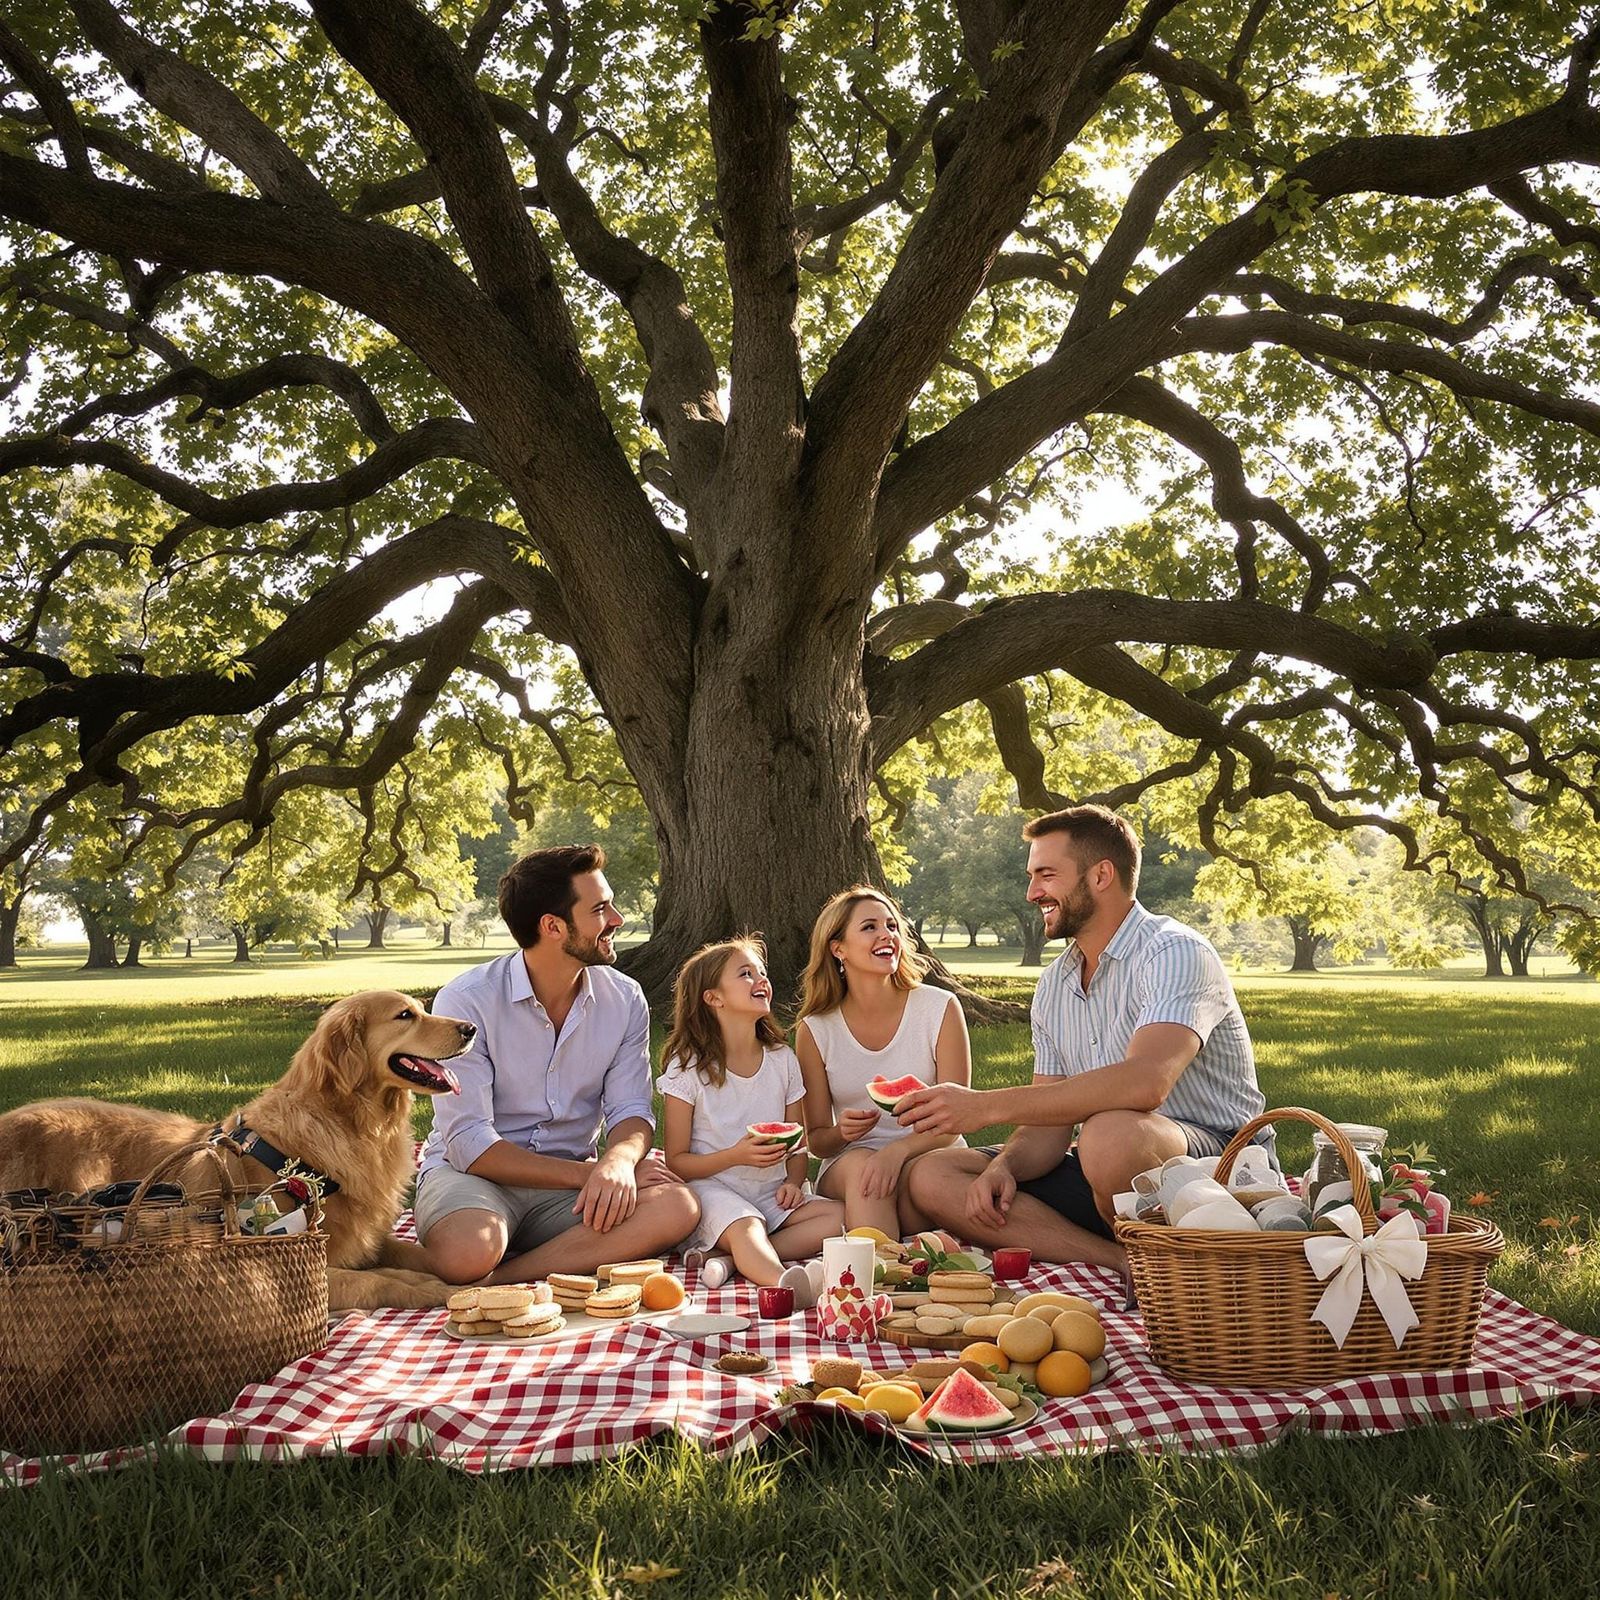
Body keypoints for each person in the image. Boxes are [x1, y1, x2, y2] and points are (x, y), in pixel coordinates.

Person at [899, 805, 1268, 1271]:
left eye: (1047, 875)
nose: (1033, 892)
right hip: (1111, 1176)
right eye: (1032, 876)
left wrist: (982, 1106)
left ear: (1101, 875)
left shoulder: (1173, 951)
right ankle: (1124, 1261)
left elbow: (1146, 1083)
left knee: (1109, 1134)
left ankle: (1174, 1260)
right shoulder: (1055, 983)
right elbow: (1048, 1119)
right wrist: (1005, 1166)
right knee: (935, 1173)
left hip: (1219, 1166)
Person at [412, 844, 699, 1284]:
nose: (617, 920)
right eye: (600, 909)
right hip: (475, 1178)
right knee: (467, 1251)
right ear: (552, 926)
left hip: (571, 1191)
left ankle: (506, 1278)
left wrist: (619, 1161)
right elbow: (470, 1143)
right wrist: (592, 1172)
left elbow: (631, 1110)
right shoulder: (467, 1001)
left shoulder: (624, 999)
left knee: (677, 1207)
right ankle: (519, 1257)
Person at [659, 938, 843, 1299]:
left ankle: (728, 1260)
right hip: (713, 1189)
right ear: (714, 998)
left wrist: (793, 1181)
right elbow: (676, 1162)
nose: (761, 979)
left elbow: (797, 1142)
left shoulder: (782, 1059)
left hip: (770, 1191)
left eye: (762, 972)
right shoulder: (687, 1068)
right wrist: (735, 1156)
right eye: (746, 974)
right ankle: (785, 1286)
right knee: (746, 1226)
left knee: (838, 1217)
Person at [795, 886, 972, 1237]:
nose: (886, 934)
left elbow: (955, 1120)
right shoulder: (815, 1030)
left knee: (911, 1187)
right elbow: (817, 1141)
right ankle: (888, 1279)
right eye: (870, 927)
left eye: (892, 925)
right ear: (838, 949)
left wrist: (897, 1151)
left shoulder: (940, 1008)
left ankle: (884, 1259)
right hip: (851, 1165)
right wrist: (841, 1133)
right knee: (866, 1174)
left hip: (931, 1152)